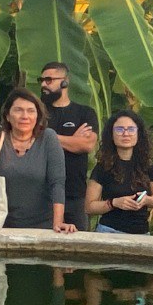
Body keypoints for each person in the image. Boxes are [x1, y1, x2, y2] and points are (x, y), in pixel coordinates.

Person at [0, 88, 75, 233]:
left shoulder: (48, 138)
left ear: (38, 116)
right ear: (8, 116)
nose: (25, 116)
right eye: (18, 110)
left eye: (31, 111)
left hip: (42, 226)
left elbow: (57, 183)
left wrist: (58, 223)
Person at [38, 62, 99, 231]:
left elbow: (87, 144)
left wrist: (47, 136)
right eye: (41, 80)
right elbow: (32, 141)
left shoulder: (85, 113)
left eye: (49, 80)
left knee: (79, 247)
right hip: (42, 194)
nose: (43, 84)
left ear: (65, 81)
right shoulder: (37, 113)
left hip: (75, 194)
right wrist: (72, 140)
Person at [86, 110, 153, 235]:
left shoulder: (148, 165)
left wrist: (146, 200)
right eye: (119, 130)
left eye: (131, 129)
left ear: (138, 133)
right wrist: (114, 203)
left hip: (141, 233)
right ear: (111, 135)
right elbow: (89, 206)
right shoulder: (103, 167)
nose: (126, 134)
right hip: (110, 231)